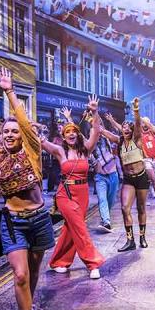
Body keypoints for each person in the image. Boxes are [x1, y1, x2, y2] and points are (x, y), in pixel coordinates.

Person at [0, 67, 55, 310]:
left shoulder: (32, 151)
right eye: (6, 131)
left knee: (33, 269)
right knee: (20, 275)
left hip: (39, 219)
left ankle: (31, 307)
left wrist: (9, 91)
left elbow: (22, 119)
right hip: (13, 223)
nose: (10, 135)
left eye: (14, 132)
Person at [41, 96, 105, 280]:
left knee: (71, 228)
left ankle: (59, 261)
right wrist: (36, 131)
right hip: (65, 194)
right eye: (67, 132)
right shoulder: (60, 151)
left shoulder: (86, 149)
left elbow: (96, 131)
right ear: (63, 135)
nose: (70, 134)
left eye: (73, 131)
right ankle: (93, 262)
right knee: (80, 227)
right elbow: (42, 142)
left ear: (77, 134)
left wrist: (94, 112)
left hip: (82, 193)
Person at [101, 98, 150, 252]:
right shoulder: (119, 141)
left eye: (128, 127)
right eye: (124, 127)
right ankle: (130, 241)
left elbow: (136, 123)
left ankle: (142, 237)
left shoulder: (137, 139)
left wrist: (136, 109)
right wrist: (95, 119)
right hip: (128, 180)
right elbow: (103, 131)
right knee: (124, 208)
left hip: (141, 177)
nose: (126, 129)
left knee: (141, 208)